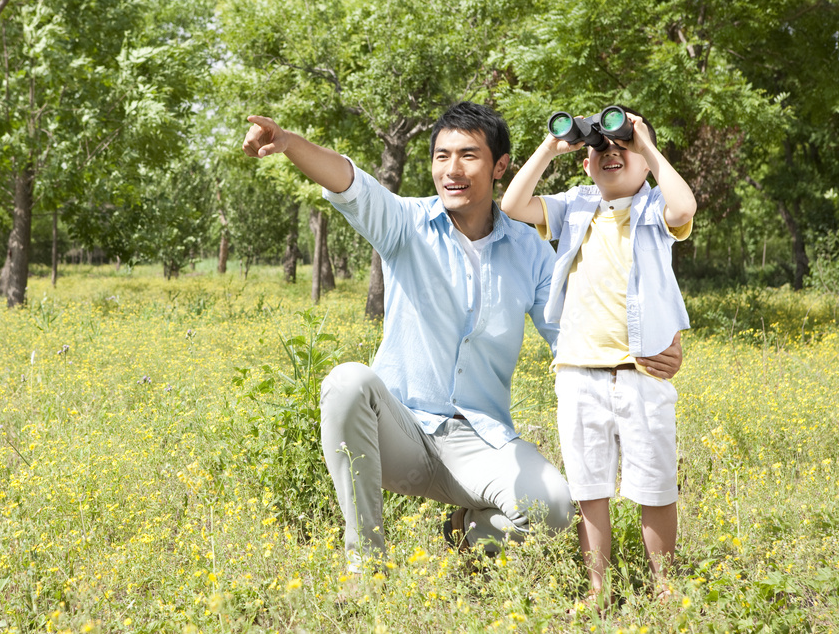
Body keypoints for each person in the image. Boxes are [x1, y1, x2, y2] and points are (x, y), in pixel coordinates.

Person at [241, 102, 683, 591]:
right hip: (402, 432)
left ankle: (465, 536)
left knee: (553, 509)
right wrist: (290, 144)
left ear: (499, 166)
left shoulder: (528, 247)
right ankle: (367, 567)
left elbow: (571, 328)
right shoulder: (405, 225)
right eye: (442, 156)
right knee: (347, 381)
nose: (451, 170)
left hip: (480, 438)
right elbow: (351, 181)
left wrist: (648, 349)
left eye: (469, 156)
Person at [499, 106, 695, 608]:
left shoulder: (652, 210)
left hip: (641, 371)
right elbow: (513, 205)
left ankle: (665, 586)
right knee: (590, 489)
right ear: (586, 163)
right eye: (600, 148)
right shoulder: (575, 207)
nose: (611, 153)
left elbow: (683, 208)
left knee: (655, 487)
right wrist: (551, 147)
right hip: (579, 371)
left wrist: (647, 146)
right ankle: (597, 588)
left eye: (621, 148)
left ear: (644, 162)